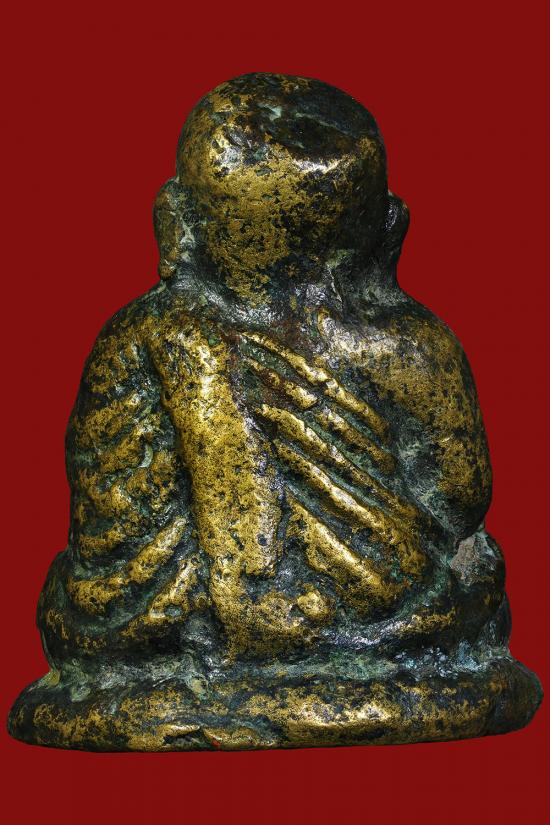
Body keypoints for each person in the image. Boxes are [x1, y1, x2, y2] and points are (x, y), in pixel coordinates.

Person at [9, 73, 541, 750]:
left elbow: (108, 520)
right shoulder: (412, 348)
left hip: (157, 627)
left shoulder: (134, 337)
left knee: (89, 603)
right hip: (381, 617)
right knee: (465, 577)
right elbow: (461, 499)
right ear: (392, 228)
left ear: (172, 224)